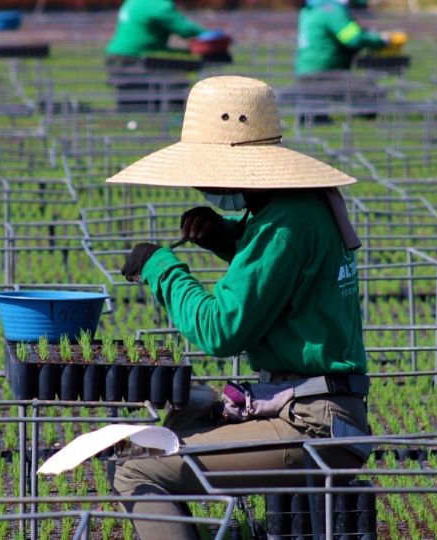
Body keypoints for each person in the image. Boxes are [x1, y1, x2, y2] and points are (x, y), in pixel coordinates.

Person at [108, 76, 372, 540]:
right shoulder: (293, 208)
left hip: (312, 424)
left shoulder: (285, 224)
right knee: (180, 420)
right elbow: (285, 276)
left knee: (134, 468)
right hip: (312, 404)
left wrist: (161, 268)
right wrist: (226, 236)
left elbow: (220, 330)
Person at [294, 0, 403, 76]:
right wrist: (383, 39)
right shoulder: (332, 10)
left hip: (305, 71)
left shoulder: (309, 10)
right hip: (326, 72)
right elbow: (354, 39)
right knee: (371, 93)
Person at [105, 0, 207, 63]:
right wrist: (211, 35)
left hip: (114, 55)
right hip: (133, 58)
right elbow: (187, 30)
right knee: (175, 81)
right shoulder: (159, 6)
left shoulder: (135, 1)